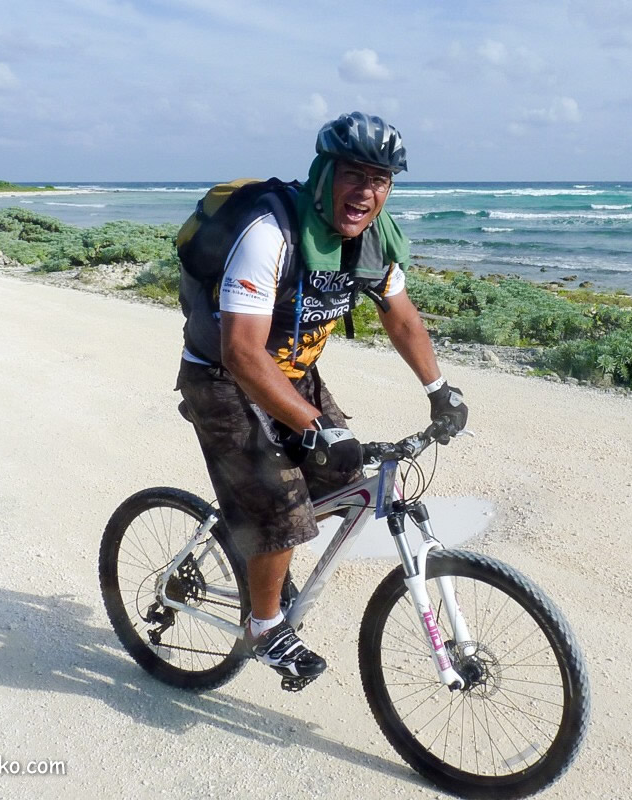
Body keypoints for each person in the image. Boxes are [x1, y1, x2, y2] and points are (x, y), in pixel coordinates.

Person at [175, 112, 469, 685]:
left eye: (381, 179)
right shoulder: (270, 233)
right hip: (221, 377)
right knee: (282, 503)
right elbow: (240, 351)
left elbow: (402, 319)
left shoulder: (373, 240)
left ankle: (261, 549)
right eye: (354, 174)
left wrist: (439, 391)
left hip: (291, 372)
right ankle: (264, 626)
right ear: (323, 173)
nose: (367, 191)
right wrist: (315, 428)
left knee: (346, 475)